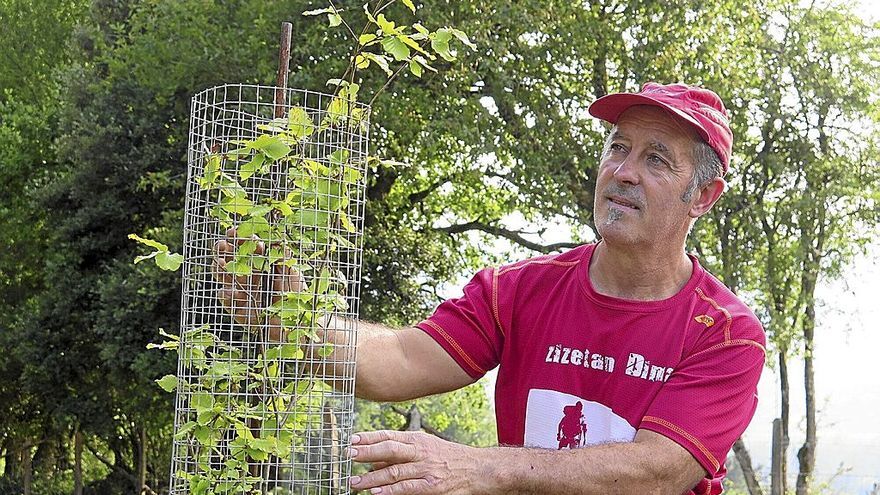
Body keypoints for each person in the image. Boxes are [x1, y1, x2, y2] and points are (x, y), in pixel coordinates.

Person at [215, 82, 766, 495]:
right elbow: (402, 358)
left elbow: (659, 470)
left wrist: (477, 467)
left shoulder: (726, 335)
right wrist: (292, 322)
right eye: (618, 148)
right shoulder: (519, 290)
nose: (623, 171)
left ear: (704, 197)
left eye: (656, 160)